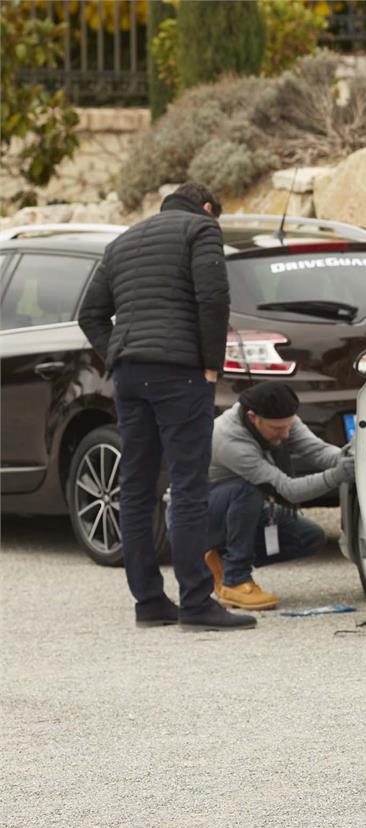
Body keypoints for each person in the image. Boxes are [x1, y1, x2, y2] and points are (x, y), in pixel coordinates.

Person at [78, 182, 255, 631]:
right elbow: (213, 299)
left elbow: (89, 314)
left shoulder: (123, 240)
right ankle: (197, 602)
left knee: (137, 487)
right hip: (180, 374)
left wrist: (116, 354)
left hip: (131, 377)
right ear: (209, 208)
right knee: (189, 484)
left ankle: (150, 602)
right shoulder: (201, 230)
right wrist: (211, 366)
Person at [204, 381, 354, 609]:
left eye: (289, 425)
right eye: (277, 429)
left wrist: (348, 456)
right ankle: (235, 580)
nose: (285, 434)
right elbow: (289, 490)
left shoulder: (281, 418)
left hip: (238, 510)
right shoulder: (230, 440)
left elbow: (317, 450)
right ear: (253, 417)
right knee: (248, 488)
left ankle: (222, 559)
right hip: (199, 519)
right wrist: (337, 475)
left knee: (309, 537)